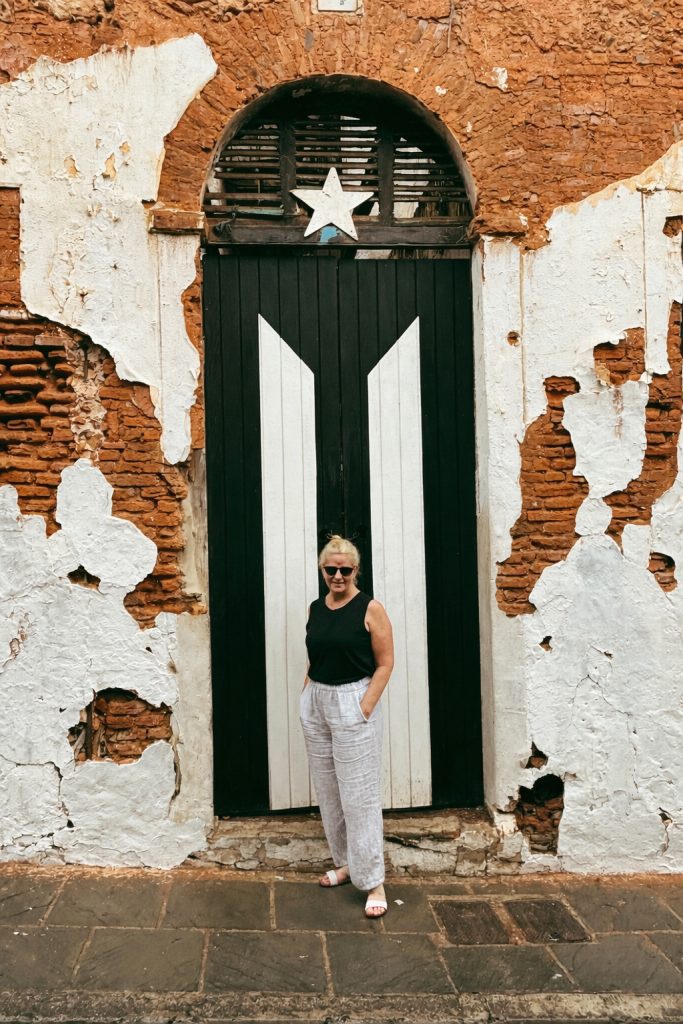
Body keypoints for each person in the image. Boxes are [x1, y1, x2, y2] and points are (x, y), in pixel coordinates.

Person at [301, 535, 394, 918]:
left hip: (352, 701)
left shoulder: (370, 609)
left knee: (360, 797)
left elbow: (385, 663)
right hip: (317, 701)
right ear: (322, 570)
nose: (338, 576)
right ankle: (345, 864)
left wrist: (365, 706)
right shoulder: (315, 608)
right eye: (331, 569)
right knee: (329, 792)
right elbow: (315, 654)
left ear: (357, 570)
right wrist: (306, 693)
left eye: (345, 570)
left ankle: (374, 881)